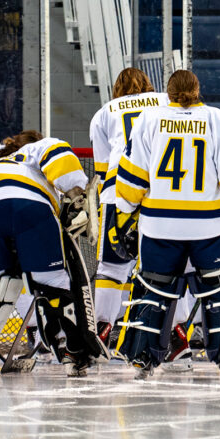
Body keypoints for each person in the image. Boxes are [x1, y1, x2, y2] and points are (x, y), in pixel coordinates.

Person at [116, 70, 220, 377]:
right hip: (210, 225)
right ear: (197, 89)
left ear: (168, 92)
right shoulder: (215, 118)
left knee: (153, 288)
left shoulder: (149, 119)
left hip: (160, 225)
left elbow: (131, 177)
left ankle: (141, 353)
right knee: (219, 289)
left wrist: (124, 216)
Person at [0, 131, 97, 376]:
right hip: (30, 209)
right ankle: (70, 352)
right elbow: (58, 154)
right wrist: (76, 193)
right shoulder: (33, 151)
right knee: (53, 286)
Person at [89, 68, 166, 349]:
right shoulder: (164, 101)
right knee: (167, 265)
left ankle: (102, 329)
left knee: (111, 267)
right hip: (160, 191)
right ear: (148, 83)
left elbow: (101, 169)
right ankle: (174, 333)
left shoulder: (105, 112)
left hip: (118, 190)